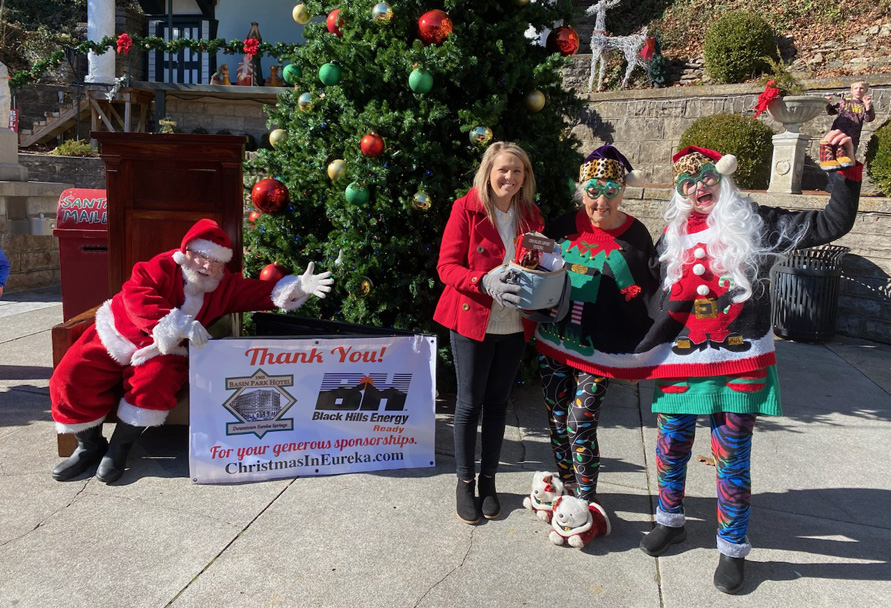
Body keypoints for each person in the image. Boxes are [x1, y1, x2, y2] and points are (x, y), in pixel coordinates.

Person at [638, 131, 861, 594]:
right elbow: (649, 294)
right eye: (686, 183)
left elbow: (833, 223)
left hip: (740, 360)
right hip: (681, 361)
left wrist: (844, 168)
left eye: (705, 178)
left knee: (732, 456)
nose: (698, 188)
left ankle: (731, 547)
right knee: (671, 444)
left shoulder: (757, 222)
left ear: (723, 180)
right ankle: (671, 519)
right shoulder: (672, 234)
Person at [50, 219, 333, 483]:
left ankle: (118, 448)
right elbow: (137, 294)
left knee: (154, 385)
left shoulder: (223, 286)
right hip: (117, 332)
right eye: (202, 256)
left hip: (166, 351)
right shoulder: (159, 267)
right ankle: (87, 446)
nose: (207, 266)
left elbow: (260, 291)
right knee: (71, 373)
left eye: (215, 262)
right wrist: (179, 323)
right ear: (187, 253)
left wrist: (297, 287)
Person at [535, 145, 658, 518]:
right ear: (581, 190)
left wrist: (640, 353)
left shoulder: (636, 235)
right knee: (556, 417)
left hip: (597, 349)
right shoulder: (561, 226)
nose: (601, 201)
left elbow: (647, 294)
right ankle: (567, 486)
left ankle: (587, 497)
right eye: (593, 190)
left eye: (610, 191)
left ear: (622, 192)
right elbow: (540, 273)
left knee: (580, 419)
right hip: (554, 341)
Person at [434, 142, 544, 524]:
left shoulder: (530, 215)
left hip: (514, 323)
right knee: (469, 404)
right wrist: (483, 280)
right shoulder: (466, 208)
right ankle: (464, 483)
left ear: (524, 177)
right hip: (472, 320)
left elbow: (541, 267)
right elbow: (446, 267)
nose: (509, 177)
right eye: (503, 170)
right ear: (489, 171)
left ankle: (489, 482)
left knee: (498, 404)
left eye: (517, 171)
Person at [820, 81, 875, 170]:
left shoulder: (865, 105)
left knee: (847, 164)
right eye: (856, 88)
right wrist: (826, 103)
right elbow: (832, 111)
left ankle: (845, 183)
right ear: (851, 91)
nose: (858, 90)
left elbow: (869, 119)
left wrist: (868, 107)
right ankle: (832, 183)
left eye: (861, 88)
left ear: (866, 91)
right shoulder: (844, 102)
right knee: (833, 162)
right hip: (837, 136)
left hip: (852, 139)